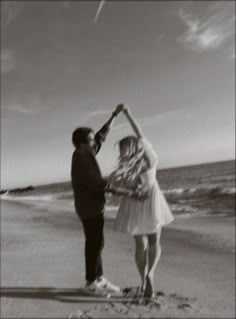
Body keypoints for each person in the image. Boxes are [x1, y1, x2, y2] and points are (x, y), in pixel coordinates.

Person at [71, 104, 144, 296]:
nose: (94, 142)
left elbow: (101, 135)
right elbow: (97, 184)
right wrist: (127, 192)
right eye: (90, 140)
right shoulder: (81, 156)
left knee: (98, 242)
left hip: (92, 206)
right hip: (89, 208)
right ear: (81, 143)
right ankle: (90, 282)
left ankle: (99, 278)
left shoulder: (87, 151)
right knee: (94, 243)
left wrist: (114, 115)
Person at [109, 105, 174, 300]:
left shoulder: (122, 170)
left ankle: (143, 281)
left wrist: (129, 192)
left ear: (123, 151)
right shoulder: (151, 159)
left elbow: (113, 189)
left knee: (140, 246)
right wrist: (128, 113)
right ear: (138, 146)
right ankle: (151, 273)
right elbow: (140, 132)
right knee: (155, 242)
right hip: (152, 201)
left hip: (133, 204)